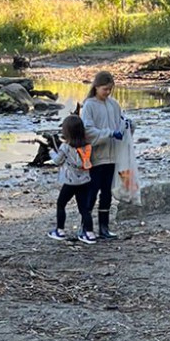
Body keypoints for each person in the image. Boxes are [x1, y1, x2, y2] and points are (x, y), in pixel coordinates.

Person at [78, 69, 129, 240]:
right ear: (96, 87)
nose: (107, 92)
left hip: (112, 156)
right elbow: (87, 130)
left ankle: (104, 228)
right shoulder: (89, 105)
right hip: (96, 157)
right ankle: (85, 227)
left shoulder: (114, 104)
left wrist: (127, 126)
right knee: (91, 192)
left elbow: (121, 121)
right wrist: (109, 133)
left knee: (107, 193)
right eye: (104, 89)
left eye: (110, 89)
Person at [47, 112, 97, 243]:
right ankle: (89, 234)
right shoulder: (87, 146)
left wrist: (51, 152)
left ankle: (60, 230)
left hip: (70, 182)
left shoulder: (65, 147)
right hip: (85, 181)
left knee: (61, 204)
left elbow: (57, 161)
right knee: (84, 209)